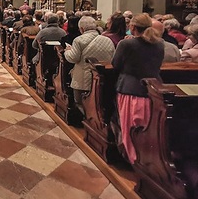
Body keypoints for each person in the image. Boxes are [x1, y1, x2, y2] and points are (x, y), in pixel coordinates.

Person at [112, 13, 164, 164]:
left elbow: (116, 64)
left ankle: (134, 159)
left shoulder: (126, 44)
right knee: (147, 126)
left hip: (130, 89)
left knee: (130, 125)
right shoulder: (160, 44)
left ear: (132, 27)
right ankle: (147, 158)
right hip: (153, 89)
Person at [64, 16, 115, 115]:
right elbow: (112, 57)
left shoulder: (79, 40)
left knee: (81, 102)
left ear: (82, 29)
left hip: (83, 78)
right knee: (99, 103)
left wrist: (67, 51)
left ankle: (87, 120)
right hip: (104, 78)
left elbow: (73, 58)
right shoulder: (107, 40)